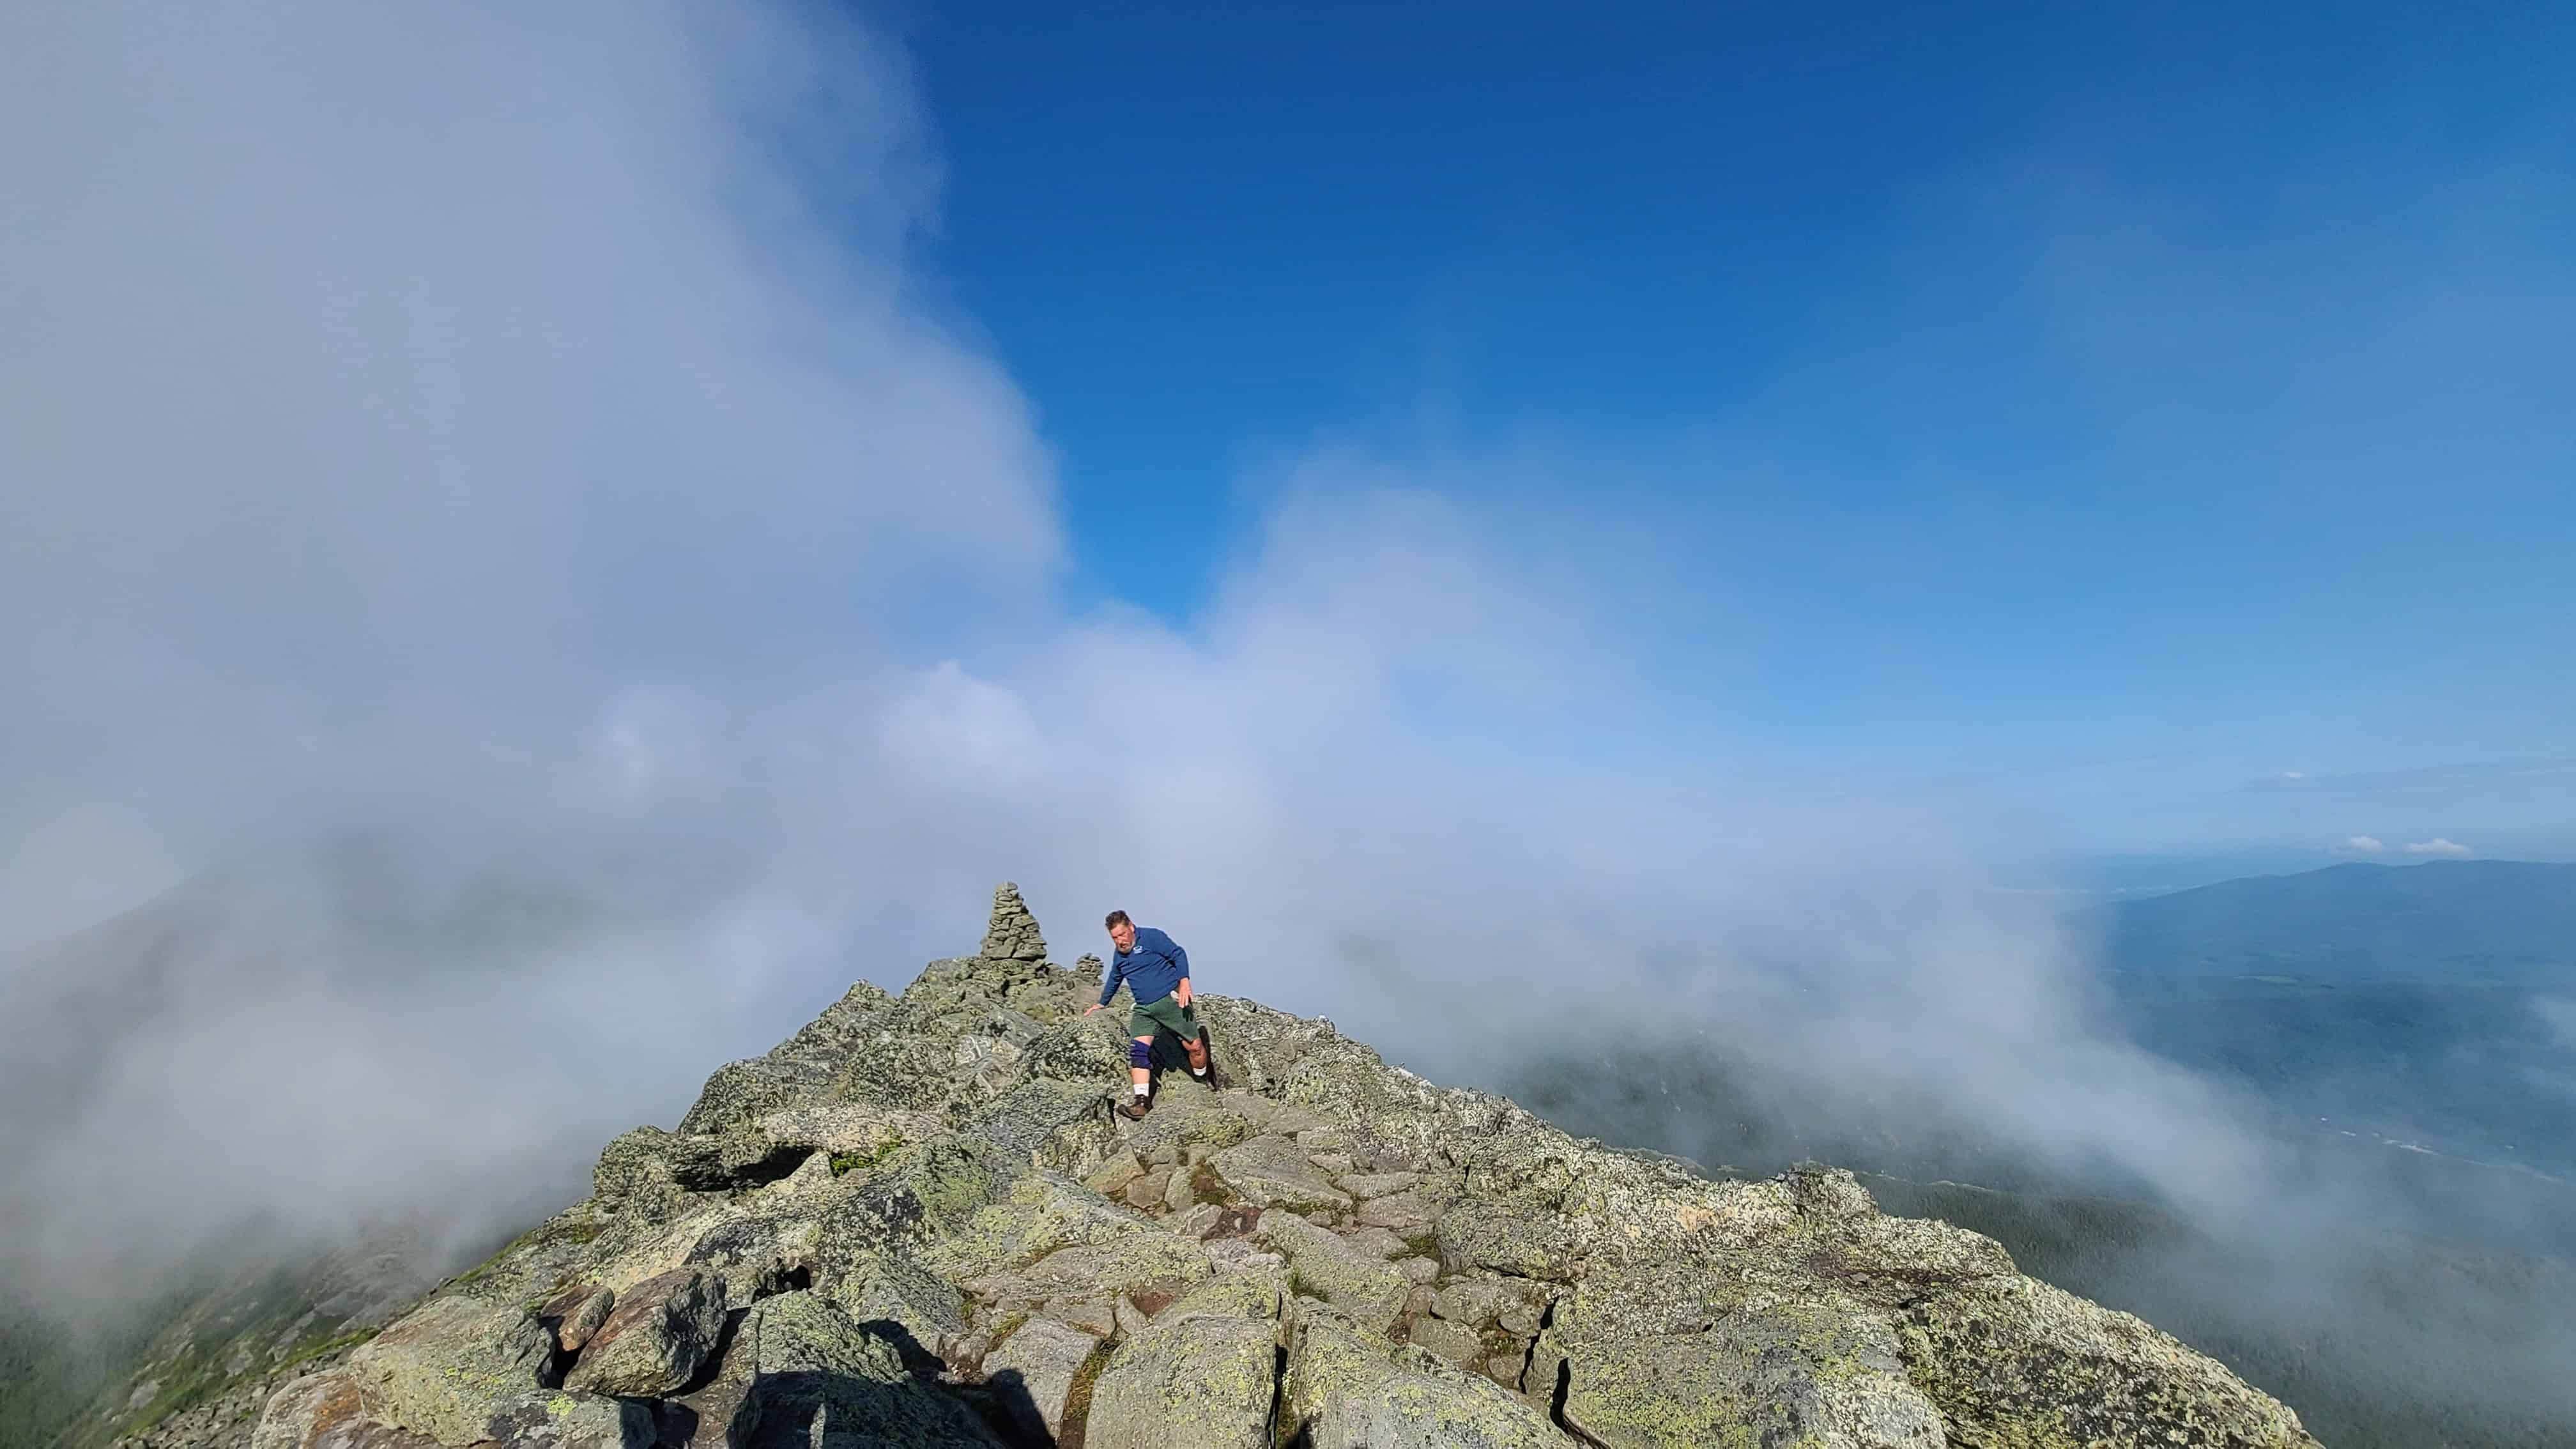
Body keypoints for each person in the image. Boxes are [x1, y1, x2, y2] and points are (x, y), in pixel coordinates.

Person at [1084, 908, 1214, 1117]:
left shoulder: (1152, 937)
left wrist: (1184, 981)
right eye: (1115, 938)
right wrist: (1101, 1004)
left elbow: (1178, 953)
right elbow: (1114, 979)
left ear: (1131, 928)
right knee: (1138, 1052)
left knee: (1194, 1047)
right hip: (1144, 1009)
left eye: (1122, 935)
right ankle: (1141, 1104)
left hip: (1171, 1002)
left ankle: (1203, 1081)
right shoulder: (1120, 956)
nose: (1120, 942)